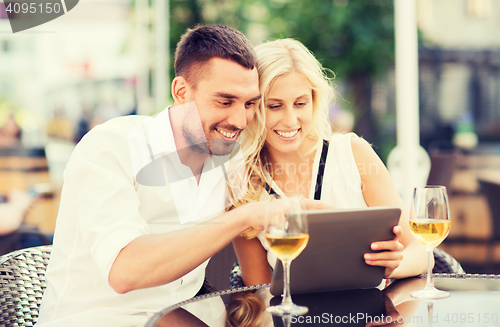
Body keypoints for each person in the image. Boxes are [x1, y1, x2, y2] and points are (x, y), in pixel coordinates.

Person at [36, 26, 322, 327]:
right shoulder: (110, 146)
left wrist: (370, 245)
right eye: (225, 102)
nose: (240, 120)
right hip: (96, 319)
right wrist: (243, 217)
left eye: (250, 104)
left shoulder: (232, 160)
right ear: (182, 92)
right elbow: (125, 271)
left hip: (185, 317)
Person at [231, 38, 428, 287]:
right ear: (254, 107)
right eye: (275, 106)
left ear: (315, 102)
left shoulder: (354, 153)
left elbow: (421, 250)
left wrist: (394, 266)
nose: (290, 120)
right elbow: (258, 289)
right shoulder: (242, 185)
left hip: (370, 317)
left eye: (300, 103)